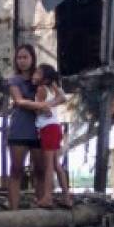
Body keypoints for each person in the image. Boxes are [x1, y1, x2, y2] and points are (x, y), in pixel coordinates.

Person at [5, 44, 63, 210]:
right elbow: (18, 101)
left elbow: (61, 96)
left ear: (32, 59)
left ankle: (42, 206)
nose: (22, 61)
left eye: (25, 57)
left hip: (40, 131)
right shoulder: (14, 80)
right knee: (16, 170)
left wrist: (48, 104)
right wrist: (41, 106)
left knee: (40, 170)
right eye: (19, 58)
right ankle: (14, 211)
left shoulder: (42, 78)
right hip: (19, 129)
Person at [31, 63, 73, 208]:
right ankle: (66, 198)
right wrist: (49, 105)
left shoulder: (41, 89)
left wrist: (39, 108)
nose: (34, 74)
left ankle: (47, 197)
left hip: (47, 128)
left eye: (37, 72)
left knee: (48, 165)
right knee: (56, 165)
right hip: (54, 127)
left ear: (44, 77)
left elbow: (41, 109)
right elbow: (61, 98)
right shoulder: (50, 89)